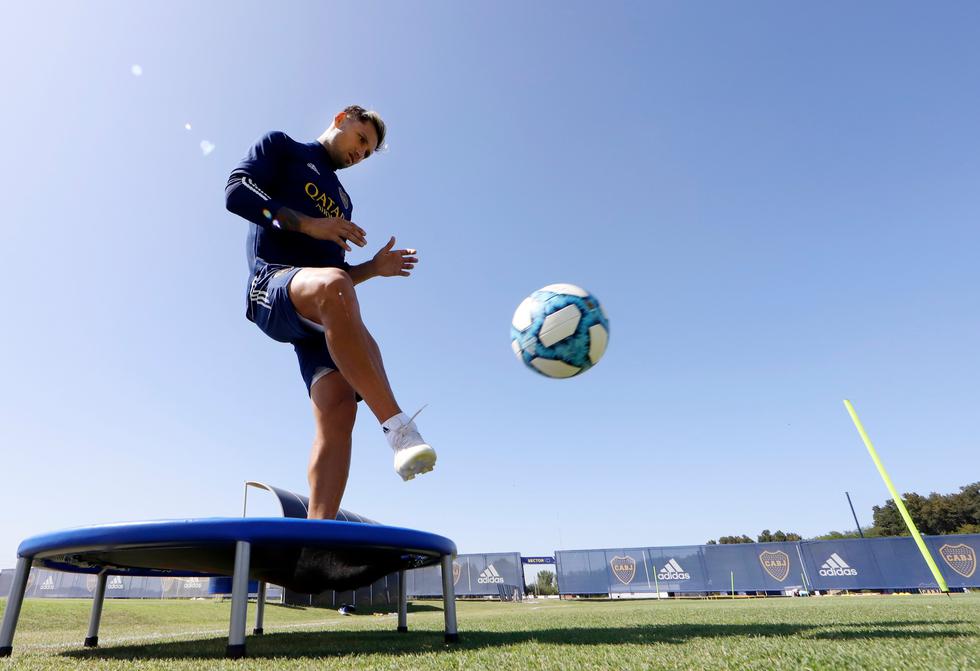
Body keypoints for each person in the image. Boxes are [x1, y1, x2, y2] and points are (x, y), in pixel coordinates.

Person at [224, 105, 436, 521]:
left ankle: (316, 536)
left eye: (369, 153)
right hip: (273, 284)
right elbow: (236, 192)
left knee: (341, 408)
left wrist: (372, 269)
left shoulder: (343, 200)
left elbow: (338, 282)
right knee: (333, 289)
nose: (361, 154)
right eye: (361, 140)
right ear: (342, 118)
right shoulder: (282, 146)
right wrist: (307, 224)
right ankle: (400, 430)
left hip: (317, 305)